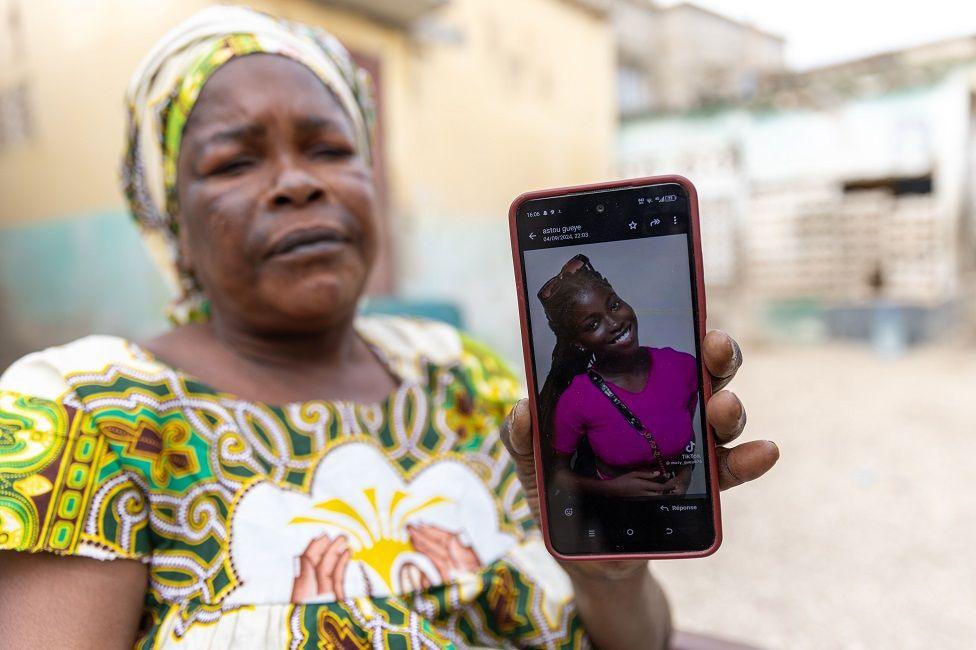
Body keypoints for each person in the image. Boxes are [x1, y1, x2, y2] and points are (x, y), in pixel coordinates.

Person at [0, 7, 778, 649]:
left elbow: (633, 641)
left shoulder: (463, 378)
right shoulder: (86, 408)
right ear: (171, 221)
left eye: (331, 149)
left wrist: (611, 570)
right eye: (235, 163)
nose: (298, 182)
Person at [537, 254, 698, 498]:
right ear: (579, 343)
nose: (614, 323)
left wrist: (685, 474)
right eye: (593, 325)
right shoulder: (577, 398)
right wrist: (614, 489)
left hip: (678, 509)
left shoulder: (682, 366)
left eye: (613, 305)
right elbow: (555, 473)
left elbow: (687, 434)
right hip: (610, 521)